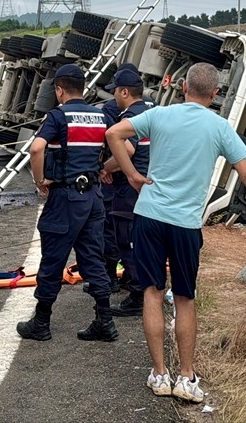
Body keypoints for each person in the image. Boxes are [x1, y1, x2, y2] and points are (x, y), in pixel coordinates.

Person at [106, 62, 246, 404]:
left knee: (151, 292)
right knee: (184, 298)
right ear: (215, 94)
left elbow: (113, 135)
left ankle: (159, 374)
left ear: (183, 86)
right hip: (185, 224)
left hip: (149, 216)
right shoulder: (220, 127)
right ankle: (186, 376)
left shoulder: (159, 115)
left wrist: (133, 176)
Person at [17, 64, 117, 342]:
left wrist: (40, 181)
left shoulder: (58, 116)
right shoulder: (100, 116)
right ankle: (105, 321)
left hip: (65, 198)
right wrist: (104, 169)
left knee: (53, 258)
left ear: (59, 90)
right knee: (93, 259)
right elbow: (125, 149)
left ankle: (41, 321)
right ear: (82, 88)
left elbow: (36, 148)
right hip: (94, 199)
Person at [101, 67, 153, 317]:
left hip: (129, 189)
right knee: (144, 240)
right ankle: (143, 286)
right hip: (150, 185)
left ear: (124, 92)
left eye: (115, 93)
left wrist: (105, 167)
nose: (114, 98)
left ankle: (136, 294)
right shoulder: (153, 112)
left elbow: (128, 151)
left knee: (127, 240)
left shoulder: (130, 117)